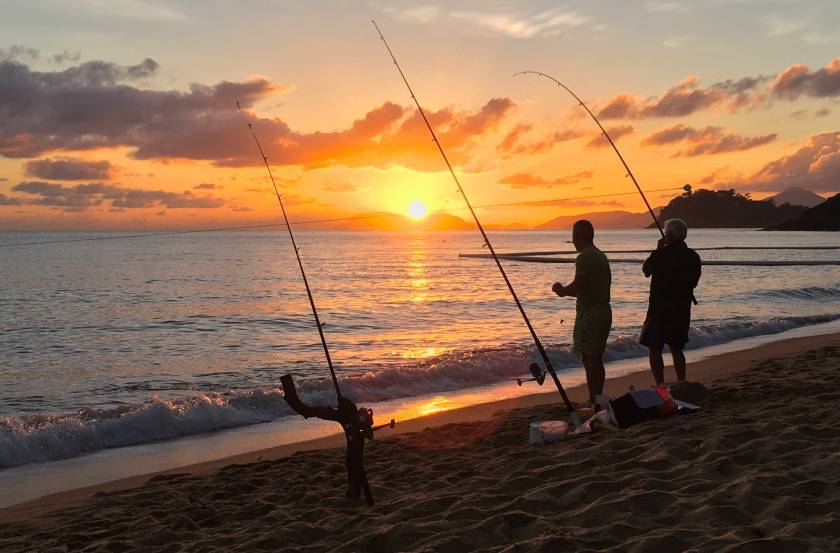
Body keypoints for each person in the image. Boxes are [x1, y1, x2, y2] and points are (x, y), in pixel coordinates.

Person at [552, 220, 612, 405]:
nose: (573, 240)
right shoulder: (600, 255)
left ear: (578, 236)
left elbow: (578, 286)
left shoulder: (585, 257)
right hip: (604, 310)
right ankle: (597, 397)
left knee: (590, 359)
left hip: (591, 313)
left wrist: (561, 291)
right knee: (596, 358)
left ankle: (594, 399)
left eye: (573, 236)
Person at [640, 218, 701, 385]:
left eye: (667, 233)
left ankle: (660, 384)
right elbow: (693, 282)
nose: (665, 235)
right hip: (681, 310)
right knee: (676, 348)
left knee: (654, 348)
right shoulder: (693, 256)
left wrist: (658, 250)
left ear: (671, 235)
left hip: (659, 310)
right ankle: (681, 381)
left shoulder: (662, 254)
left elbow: (646, 270)